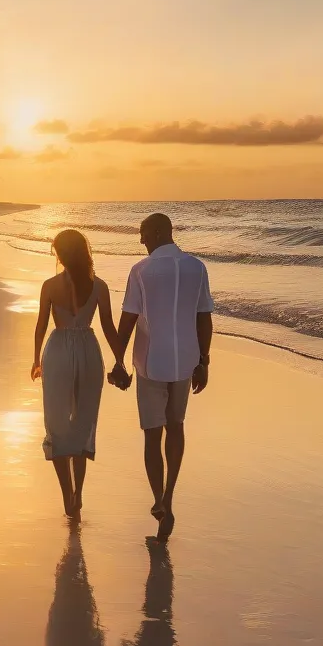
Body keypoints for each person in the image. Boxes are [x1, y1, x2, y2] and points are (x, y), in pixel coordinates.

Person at [109, 213, 214, 541]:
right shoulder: (197, 267)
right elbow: (204, 318)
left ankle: (158, 500)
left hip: (151, 361)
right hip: (186, 361)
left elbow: (127, 320)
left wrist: (118, 363)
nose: (141, 240)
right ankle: (168, 496)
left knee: (153, 435)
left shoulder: (141, 270)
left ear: (156, 232)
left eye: (142, 233)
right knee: (176, 426)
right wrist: (204, 362)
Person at [32, 229, 127, 518]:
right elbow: (109, 327)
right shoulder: (99, 286)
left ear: (61, 254)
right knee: (83, 423)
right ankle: (79, 493)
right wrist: (120, 360)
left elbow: (40, 325)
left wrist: (36, 360)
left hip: (59, 350)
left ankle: (67, 498)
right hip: (88, 351)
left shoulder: (49, 286)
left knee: (58, 425)